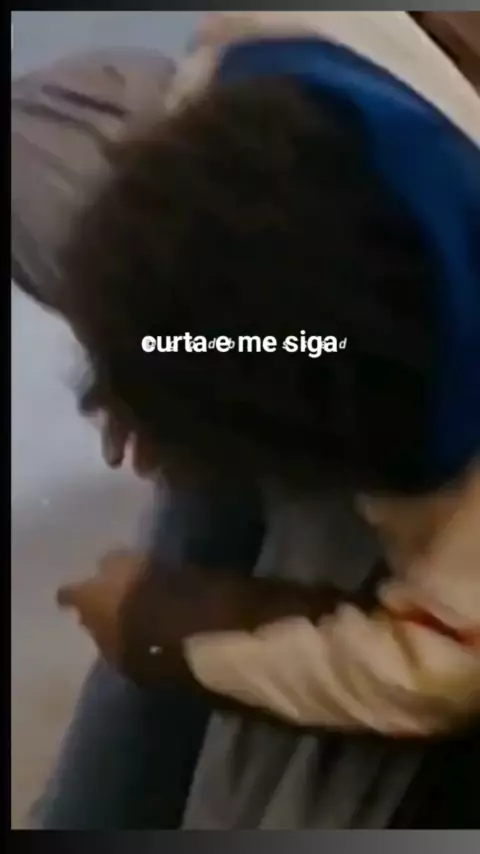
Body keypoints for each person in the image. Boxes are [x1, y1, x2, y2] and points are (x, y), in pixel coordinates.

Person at [11, 12, 479, 829]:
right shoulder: (287, 45)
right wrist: (148, 354)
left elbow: (436, 669)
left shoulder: (453, 503)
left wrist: (164, 629)